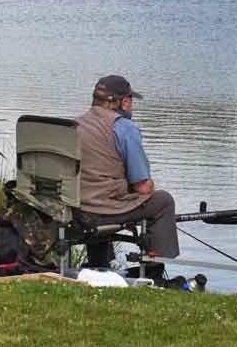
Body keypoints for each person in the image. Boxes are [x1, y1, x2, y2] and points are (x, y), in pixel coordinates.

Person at [75, 74, 178, 274]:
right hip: (101, 211)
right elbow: (142, 186)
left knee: (100, 194)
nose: (131, 104)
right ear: (123, 101)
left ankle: (99, 265)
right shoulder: (125, 128)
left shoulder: (76, 124)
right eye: (130, 99)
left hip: (75, 209)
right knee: (163, 201)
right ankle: (153, 271)